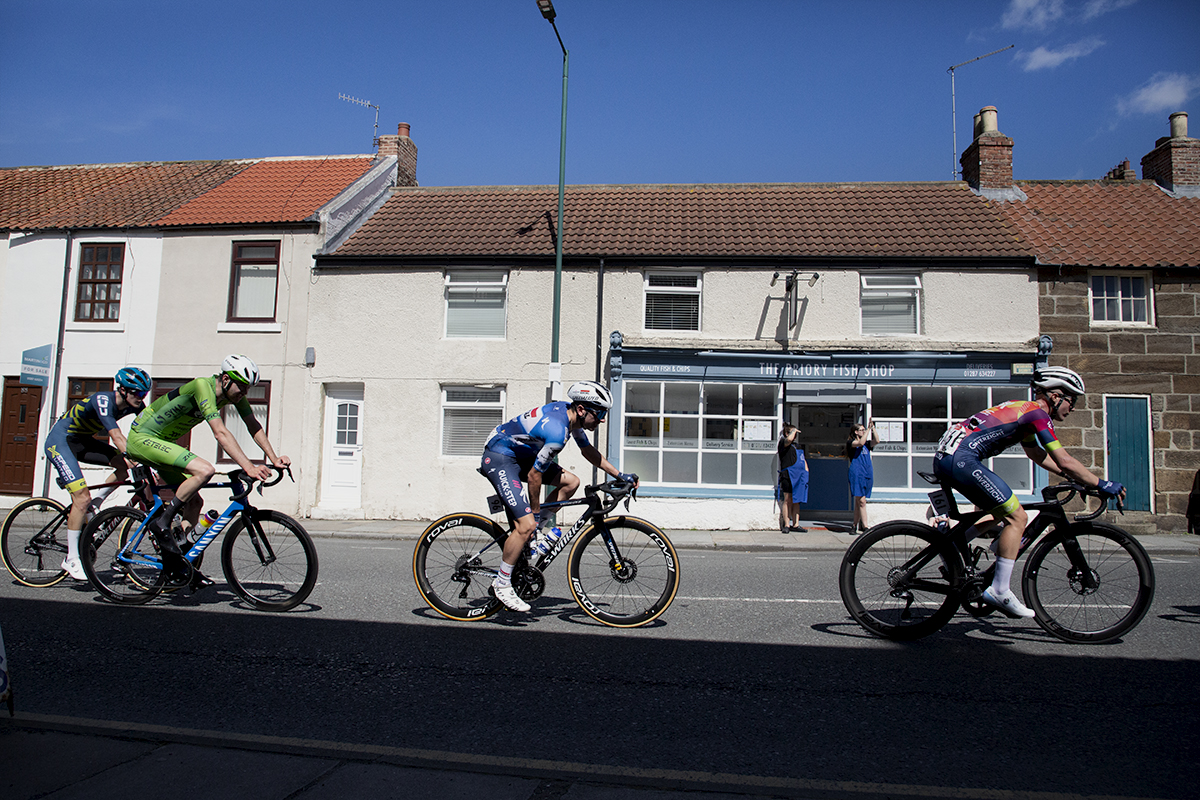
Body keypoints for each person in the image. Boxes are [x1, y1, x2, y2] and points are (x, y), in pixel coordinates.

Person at [932, 366, 1125, 618]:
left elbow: (1036, 455)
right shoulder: (1036, 414)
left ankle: (954, 545)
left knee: (1002, 512)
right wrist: (1101, 483)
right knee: (1018, 517)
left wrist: (1075, 478)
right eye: (1072, 399)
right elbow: (1064, 460)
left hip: (951, 457)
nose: (1074, 407)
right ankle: (999, 590)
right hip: (961, 459)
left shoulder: (1025, 411)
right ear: (1055, 397)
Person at [125, 355, 290, 585]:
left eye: (248, 388)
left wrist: (274, 457)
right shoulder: (202, 386)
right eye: (241, 386)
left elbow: (253, 425)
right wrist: (249, 467)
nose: (244, 392)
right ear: (225, 379)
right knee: (205, 470)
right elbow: (220, 433)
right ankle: (162, 522)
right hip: (143, 438)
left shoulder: (234, 395)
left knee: (194, 503)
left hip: (165, 443)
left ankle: (179, 561)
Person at [480, 380, 637, 612]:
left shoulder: (571, 417)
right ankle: (502, 583)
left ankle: (532, 537)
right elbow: (534, 476)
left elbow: (588, 451)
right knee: (525, 525)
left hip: (519, 454)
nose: (602, 419)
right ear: (582, 410)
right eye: (600, 413)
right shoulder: (558, 431)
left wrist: (620, 474)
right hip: (500, 455)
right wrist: (533, 516)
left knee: (571, 482)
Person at [43, 367, 152, 579]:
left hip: (83, 442)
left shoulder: (136, 406)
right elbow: (117, 436)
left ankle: (96, 502)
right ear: (122, 390)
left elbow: (147, 435)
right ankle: (72, 559)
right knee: (80, 499)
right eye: (137, 393)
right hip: (61, 441)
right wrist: (135, 462)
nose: (141, 398)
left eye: (144, 394)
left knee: (121, 467)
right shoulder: (104, 400)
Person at [846, 420, 878, 534]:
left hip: (867, 472)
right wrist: (868, 430)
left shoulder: (867, 445)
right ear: (856, 432)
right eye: (861, 430)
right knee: (862, 501)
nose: (864, 431)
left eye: (864, 430)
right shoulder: (851, 442)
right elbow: (860, 443)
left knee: (858, 502)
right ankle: (865, 526)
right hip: (857, 473)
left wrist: (872, 428)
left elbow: (877, 441)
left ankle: (854, 525)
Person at [777, 423, 808, 533]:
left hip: (800, 476)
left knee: (797, 500)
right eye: (793, 433)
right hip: (788, 475)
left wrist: (806, 473)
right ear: (787, 433)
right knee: (787, 500)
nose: (795, 436)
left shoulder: (797, 446)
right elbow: (788, 440)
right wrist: (792, 431)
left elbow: (803, 460)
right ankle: (786, 524)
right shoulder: (783, 443)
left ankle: (796, 524)